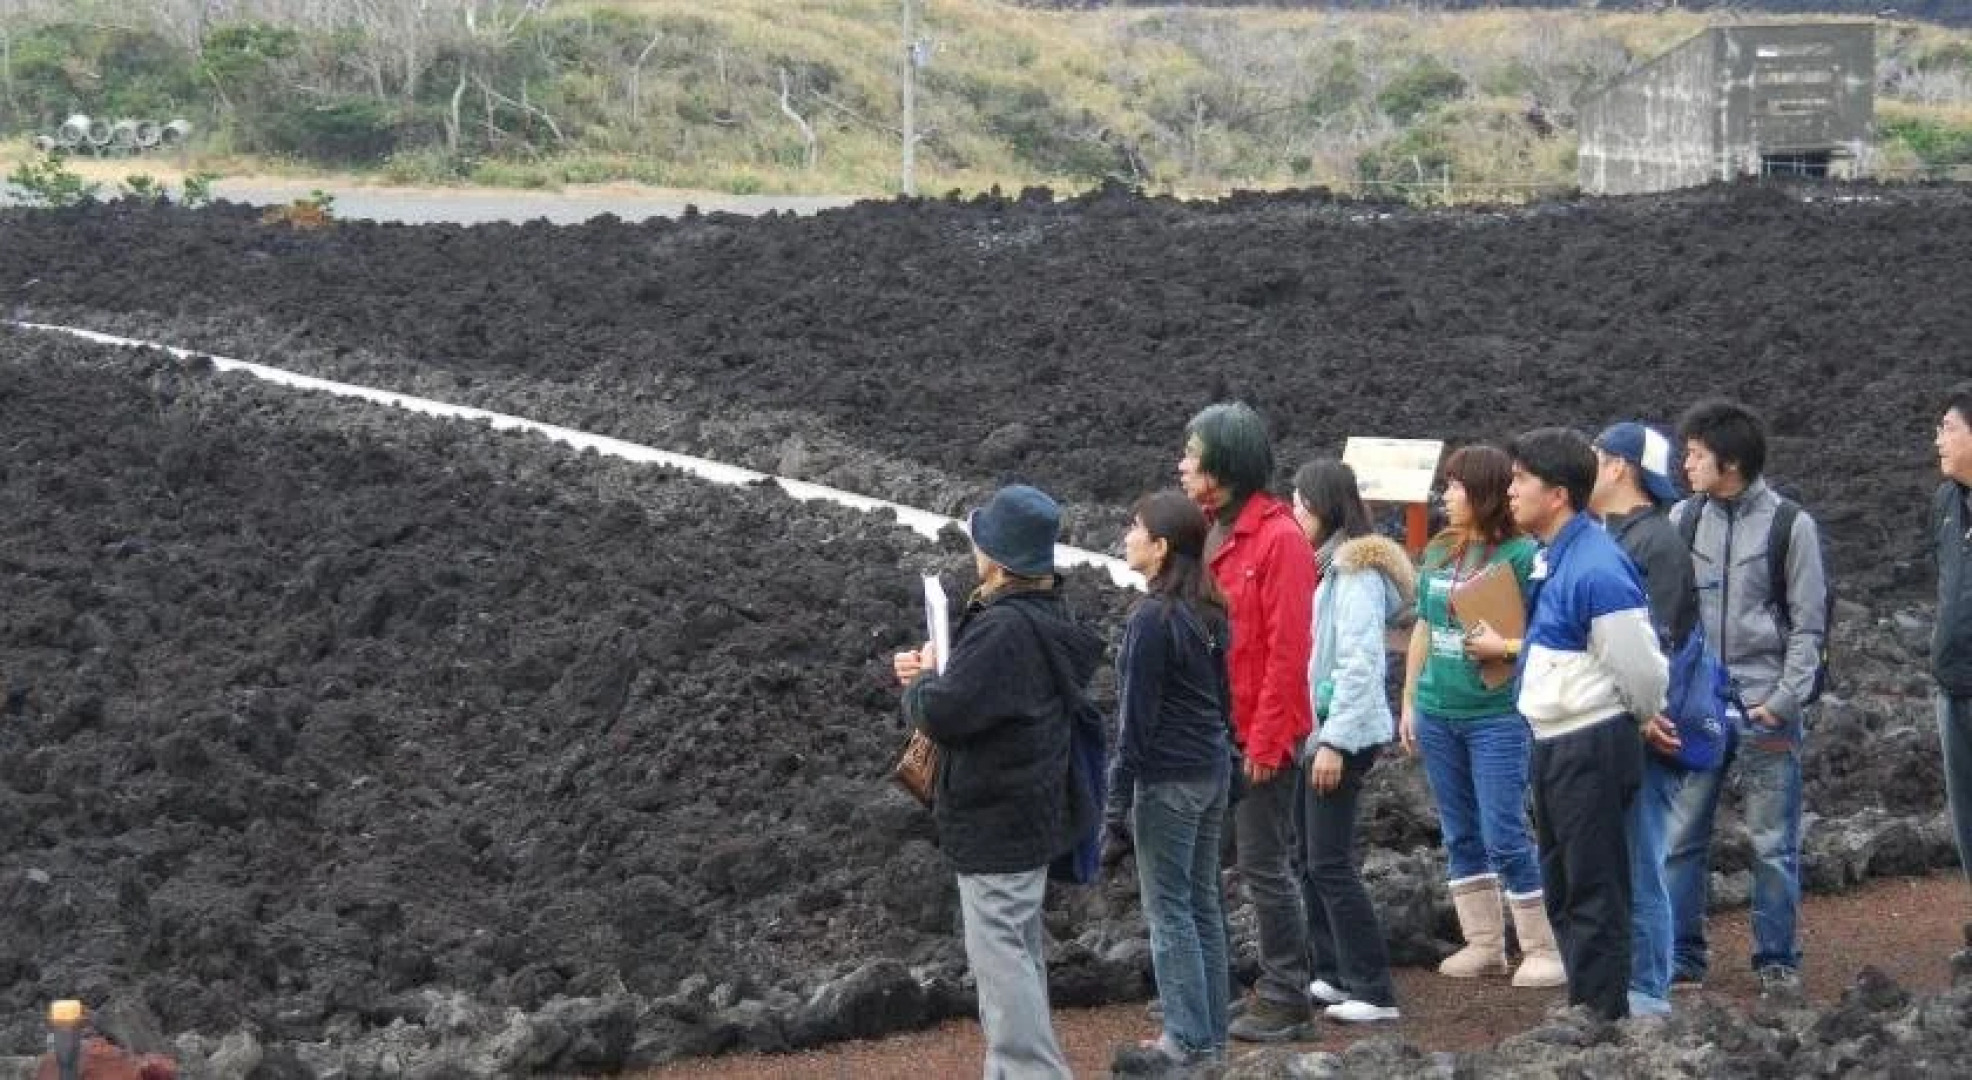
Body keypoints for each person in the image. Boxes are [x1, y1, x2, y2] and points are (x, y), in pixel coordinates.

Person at [893, 484, 1099, 1080]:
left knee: (1003, 964)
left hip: (995, 817)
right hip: (1028, 812)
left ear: (999, 558)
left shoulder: (1005, 629)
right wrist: (937, 668)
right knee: (1018, 953)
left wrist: (920, 688)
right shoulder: (1042, 616)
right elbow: (979, 691)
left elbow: (946, 713)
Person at [1664, 400, 1828, 1004]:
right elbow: (1673, 619)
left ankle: (1776, 960)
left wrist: (1784, 701)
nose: (1686, 463)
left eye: (1697, 453)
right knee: (1681, 839)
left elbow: (1811, 626)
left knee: (1772, 844)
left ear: (1729, 461)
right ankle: (1682, 956)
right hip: (1701, 709)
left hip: (1765, 709)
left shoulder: (1791, 524)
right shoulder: (1683, 519)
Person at [1506, 427, 1669, 1021]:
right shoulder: (1558, 555)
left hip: (1589, 741)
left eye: (1522, 478)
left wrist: (1642, 717)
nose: (1511, 489)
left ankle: (1600, 1017)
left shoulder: (1596, 564)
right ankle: (1588, 1005)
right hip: (1557, 740)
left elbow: (1641, 665)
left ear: (1558, 494)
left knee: (1594, 885)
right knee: (1566, 881)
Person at [1398, 444, 1564, 990]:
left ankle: (1542, 946)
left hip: (1496, 715)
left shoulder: (1521, 555)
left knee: (1505, 829)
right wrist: (1409, 699)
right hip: (1438, 709)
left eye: (1456, 486)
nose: (1445, 496)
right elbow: (1424, 624)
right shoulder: (1442, 551)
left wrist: (1507, 648)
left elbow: (1545, 636)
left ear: (1485, 493)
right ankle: (1485, 944)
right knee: (1459, 829)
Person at [1178, 402, 1318, 1042]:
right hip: (1218, 725)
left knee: (1265, 865)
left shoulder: (1281, 540)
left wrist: (1265, 739)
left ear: (1224, 467)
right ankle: (1235, 984)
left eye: (1193, 455)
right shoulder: (1212, 530)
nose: (1183, 465)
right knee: (1218, 860)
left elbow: (1289, 650)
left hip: (1259, 730)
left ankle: (1288, 994)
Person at [1108, 491, 1233, 1073]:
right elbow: (1222, 701)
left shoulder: (1151, 619)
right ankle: (1210, 1038)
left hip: (1171, 780)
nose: (1127, 535)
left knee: (1171, 910)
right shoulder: (1208, 611)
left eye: (1136, 528)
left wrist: (1113, 807)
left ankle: (1184, 1041)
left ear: (1159, 548)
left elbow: (1136, 721)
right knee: (1203, 904)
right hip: (1211, 771)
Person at [1292, 459, 1410, 1024]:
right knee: (1311, 860)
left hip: (1341, 734)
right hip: (1318, 729)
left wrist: (1335, 741)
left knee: (1330, 862)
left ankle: (1373, 988)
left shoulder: (1355, 574)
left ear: (1323, 507)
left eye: (1300, 503)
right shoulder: (1327, 568)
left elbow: (1361, 662)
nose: (1294, 513)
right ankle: (1335, 974)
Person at [1589, 422, 1698, 1019]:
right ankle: (1628, 987)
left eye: (1597, 457)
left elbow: (1660, 642)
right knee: (1625, 858)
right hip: (1625, 722)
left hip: (1646, 728)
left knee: (1640, 859)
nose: (1589, 467)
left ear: (1621, 468)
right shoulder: (1627, 536)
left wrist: (1645, 713)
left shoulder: (1652, 542)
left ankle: (1648, 993)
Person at [1932, 384, 1972, 953]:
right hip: (1953, 682)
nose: (1937, 438)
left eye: (1948, 426)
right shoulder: (1946, 503)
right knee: (1966, 814)